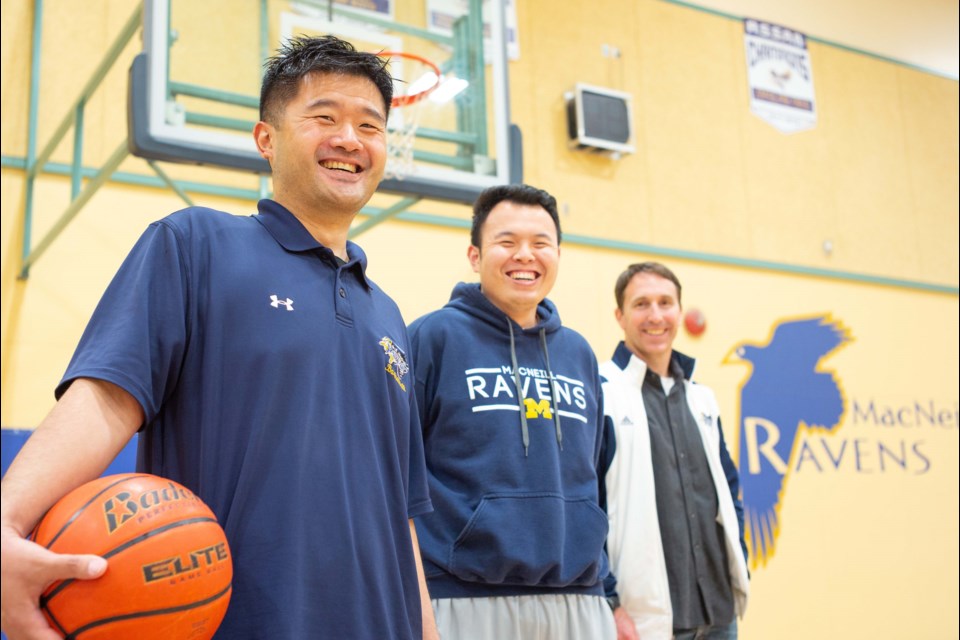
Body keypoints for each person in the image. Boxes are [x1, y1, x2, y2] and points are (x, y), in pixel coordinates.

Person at [0, 35, 438, 640]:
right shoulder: (194, 245)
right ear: (267, 139)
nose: (350, 139)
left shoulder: (388, 315)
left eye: (371, 125)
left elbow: (403, 511)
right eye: (324, 118)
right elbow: (106, 397)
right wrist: (6, 522)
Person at [407, 184, 617, 639]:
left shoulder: (579, 353)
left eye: (540, 243)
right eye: (507, 242)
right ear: (475, 255)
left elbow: (595, 475)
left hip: (579, 597)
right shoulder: (431, 338)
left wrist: (609, 586)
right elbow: (394, 476)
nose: (525, 255)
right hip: (461, 596)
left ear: (558, 253)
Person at [600, 262, 749, 640]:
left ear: (679, 311)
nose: (655, 315)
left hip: (719, 614)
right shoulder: (600, 392)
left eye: (666, 303)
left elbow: (730, 494)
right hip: (642, 621)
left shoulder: (702, 399)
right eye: (641, 304)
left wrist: (739, 562)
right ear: (620, 315)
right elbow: (586, 506)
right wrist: (610, 601)